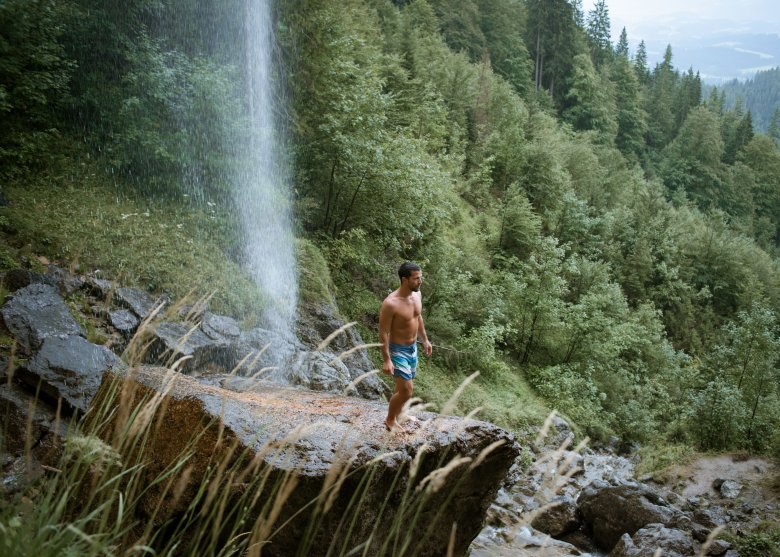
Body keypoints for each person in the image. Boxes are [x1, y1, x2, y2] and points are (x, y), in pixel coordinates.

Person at [380, 261, 432, 432]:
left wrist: (424, 340)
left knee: (402, 387)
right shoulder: (391, 303)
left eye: (420, 277)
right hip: (398, 350)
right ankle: (389, 420)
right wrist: (387, 359)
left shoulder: (417, 296)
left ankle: (401, 414)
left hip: (413, 348)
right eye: (416, 278)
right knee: (407, 390)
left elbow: (418, 317)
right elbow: (384, 332)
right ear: (404, 279)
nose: (420, 281)